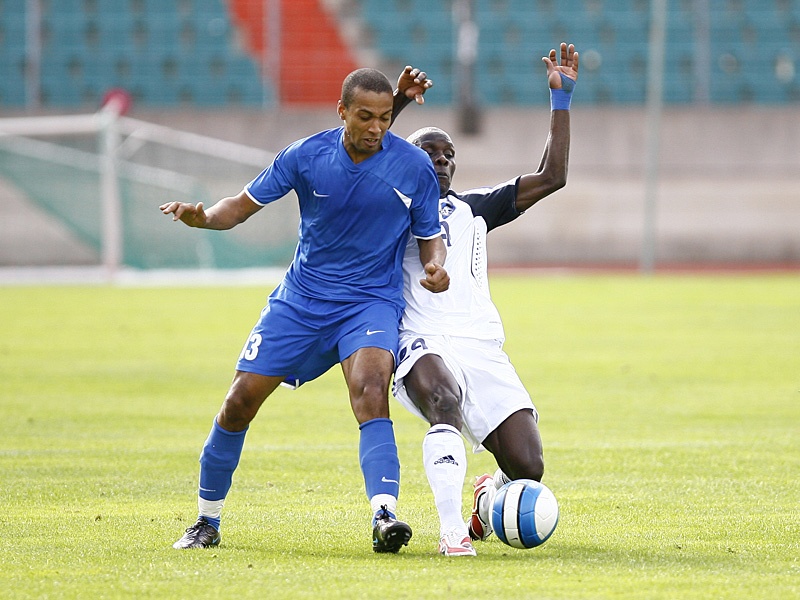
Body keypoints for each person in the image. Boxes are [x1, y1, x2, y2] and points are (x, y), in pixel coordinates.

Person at [160, 65, 449, 553]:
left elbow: (429, 238)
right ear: (342, 112)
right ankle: (206, 521)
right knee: (238, 402)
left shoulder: (414, 167)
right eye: (365, 117)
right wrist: (203, 217)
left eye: (384, 117)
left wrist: (436, 266)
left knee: (370, 390)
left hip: (369, 303)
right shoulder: (305, 155)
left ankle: (384, 515)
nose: (377, 127)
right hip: (301, 301)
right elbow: (240, 206)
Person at [391, 42, 578, 556]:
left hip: (480, 345)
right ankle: (452, 531)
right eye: (430, 152)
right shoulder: (389, 206)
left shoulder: (474, 209)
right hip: (421, 338)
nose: (442, 159)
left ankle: (487, 497)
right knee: (443, 403)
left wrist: (560, 101)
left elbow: (553, 177)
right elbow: (360, 152)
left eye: (449, 154)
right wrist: (399, 104)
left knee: (529, 467)